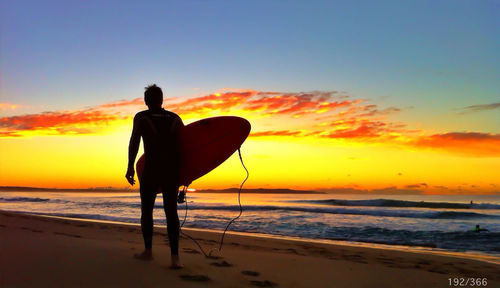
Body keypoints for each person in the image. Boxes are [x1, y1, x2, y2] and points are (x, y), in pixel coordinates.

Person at [125, 84, 184, 269]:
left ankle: (148, 252)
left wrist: (130, 167)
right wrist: (184, 176)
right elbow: (185, 148)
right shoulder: (175, 119)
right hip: (171, 170)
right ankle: (175, 258)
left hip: (151, 168)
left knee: (147, 210)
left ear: (146, 101)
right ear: (162, 99)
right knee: (171, 212)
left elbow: (134, 142)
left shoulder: (142, 117)